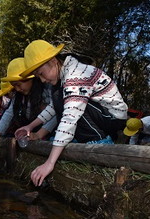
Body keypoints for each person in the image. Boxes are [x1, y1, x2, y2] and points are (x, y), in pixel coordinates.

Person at [19, 40, 128, 186]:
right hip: (100, 115)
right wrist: (30, 127)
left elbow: (71, 115)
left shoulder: (76, 74)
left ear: (53, 61)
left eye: (41, 74)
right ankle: (85, 138)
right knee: (60, 98)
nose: (43, 80)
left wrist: (50, 163)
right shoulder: (64, 76)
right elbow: (54, 107)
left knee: (71, 103)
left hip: (113, 117)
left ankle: (100, 141)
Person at [0, 57, 58, 152]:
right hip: (33, 131)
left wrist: (39, 134)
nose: (17, 89)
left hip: (50, 131)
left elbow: (56, 113)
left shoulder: (47, 90)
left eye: (18, 84)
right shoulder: (19, 96)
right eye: (14, 86)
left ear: (30, 78)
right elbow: (9, 113)